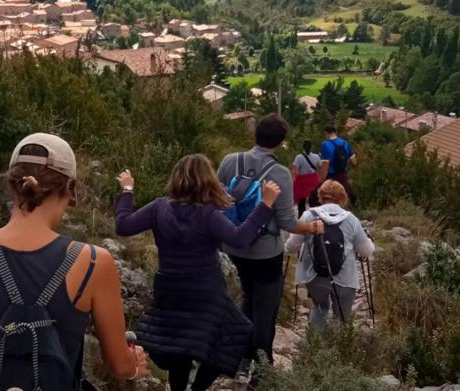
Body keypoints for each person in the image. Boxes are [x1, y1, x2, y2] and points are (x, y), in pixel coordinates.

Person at [0, 133, 147, 391]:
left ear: (11, 184)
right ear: (71, 190)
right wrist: (133, 366)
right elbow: (118, 365)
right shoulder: (94, 262)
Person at [114, 154, 281, 391]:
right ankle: (199, 388)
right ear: (208, 181)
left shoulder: (158, 208)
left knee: (179, 345)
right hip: (206, 291)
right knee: (235, 335)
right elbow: (240, 238)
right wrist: (265, 204)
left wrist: (128, 190)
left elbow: (123, 226)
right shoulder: (209, 215)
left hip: (169, 289)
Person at [217, 114, 324, 366]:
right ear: (280, 142)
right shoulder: (279, 173)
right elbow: (288, 222)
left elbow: (217, 199)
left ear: (256, 134)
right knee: (265, 309)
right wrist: (311, 227)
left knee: (246, 297)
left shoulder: (229, 161)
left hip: (232, 245)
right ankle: (262, 367)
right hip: (265, 253)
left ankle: (241, 357)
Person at [285, 180, 374, 329]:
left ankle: (315, 347)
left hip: (315, 275)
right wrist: (371, 242)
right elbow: (366, 251)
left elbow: (292, 246)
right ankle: (339, 348)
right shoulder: (351, 219)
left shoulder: (308, 216)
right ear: (342, 198)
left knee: (320, 308)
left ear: (321, 196)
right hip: (345, 277)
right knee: (342, 318)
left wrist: (286, 247)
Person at [320, 125, 357, 204]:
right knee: (344, 197)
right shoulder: (345, 143)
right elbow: (354, 161)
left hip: (331, 177)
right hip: (343, 175)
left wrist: (321, 181)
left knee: (331, 200)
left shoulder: (325, 144)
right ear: (335, 132)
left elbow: (325, 165)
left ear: (326, 133)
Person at [291, 140, 324, 217]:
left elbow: (295, 171)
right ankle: (314, 216)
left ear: (303, 147)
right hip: (313, 181)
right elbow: (321, 168)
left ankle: (301, 216)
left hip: (302, 182)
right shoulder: (317, 157)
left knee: (302, 201)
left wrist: (292, 180)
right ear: (311, 147)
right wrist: (320, 179)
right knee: (314, 200)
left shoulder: (298, 157)